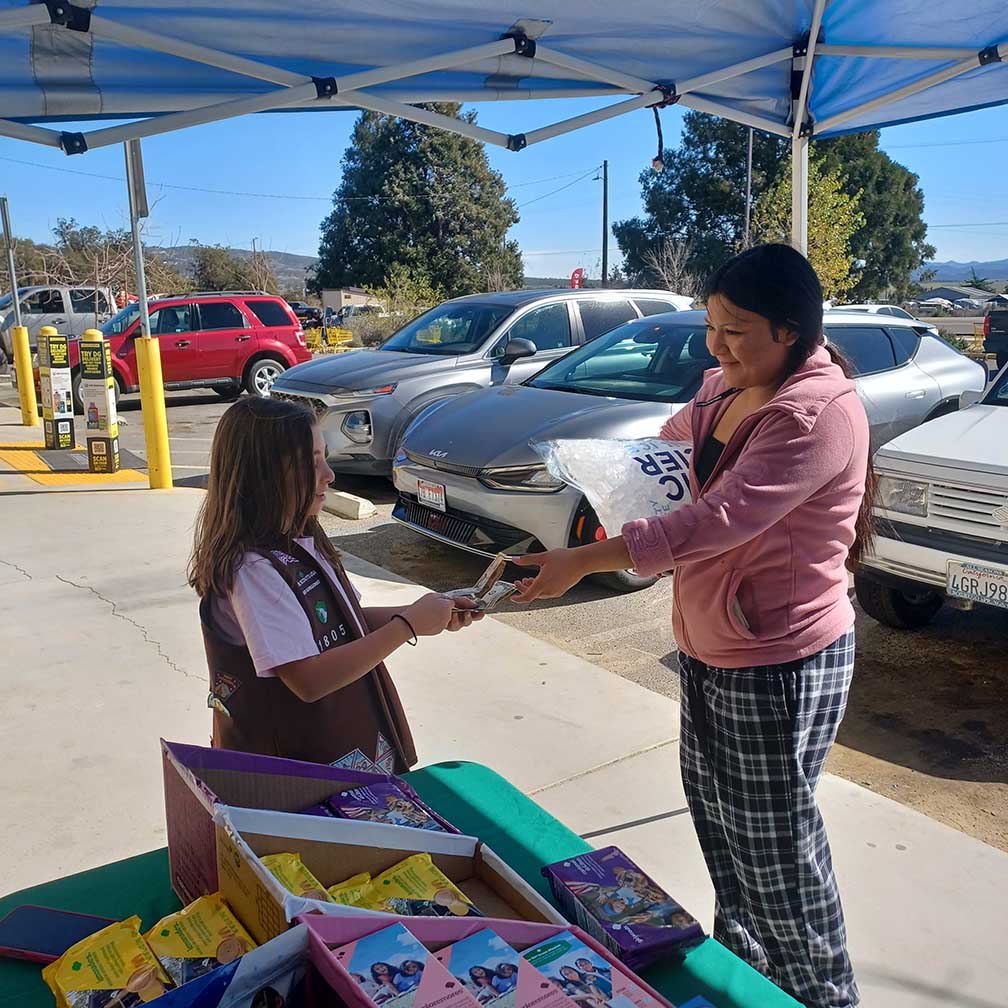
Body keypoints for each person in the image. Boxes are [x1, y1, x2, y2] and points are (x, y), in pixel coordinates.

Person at [512, 244, 869, 1008]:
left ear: (790, 332)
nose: (716, 346)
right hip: (711, 646)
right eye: (711, 326)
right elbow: (666, 457)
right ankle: (747, 984)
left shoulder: (813, 415)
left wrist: (587, 558)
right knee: (724, 839)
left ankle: (823, 995)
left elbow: (718, 520)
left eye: (734, 331)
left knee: (778, 862)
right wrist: (594, 467)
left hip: (775, 660)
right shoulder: (721, 387)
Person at [189, 397, 481, 769]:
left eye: (324, 458)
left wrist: (424, 612)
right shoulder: (254, 571)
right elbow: (308, 679)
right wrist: (406, 626)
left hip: (341, 750)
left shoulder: (300, 539)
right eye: (310, 463)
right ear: (262, 476)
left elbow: (344, 622)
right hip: (297, 776)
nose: (328, 475)